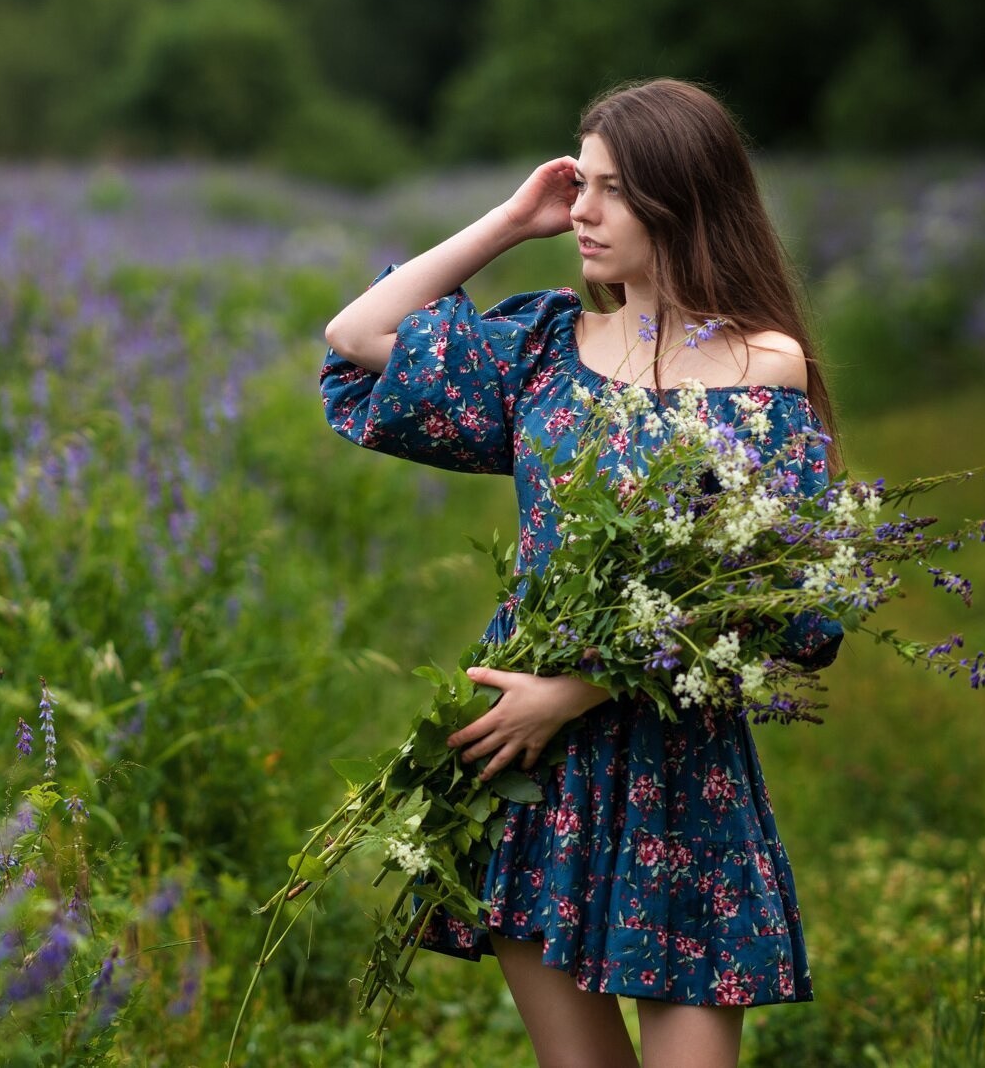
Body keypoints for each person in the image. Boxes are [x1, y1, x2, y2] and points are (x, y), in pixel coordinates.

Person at [319, 77, 845, 1068]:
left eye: (611, 190)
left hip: (677, 769)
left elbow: (773, 604)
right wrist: (511, 221)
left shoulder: (756, 366)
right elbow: (354, 341)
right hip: (535, 776)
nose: (583, 213)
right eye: (580, 184)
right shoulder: (546, 352)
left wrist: (572, 691)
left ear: (680, 201)